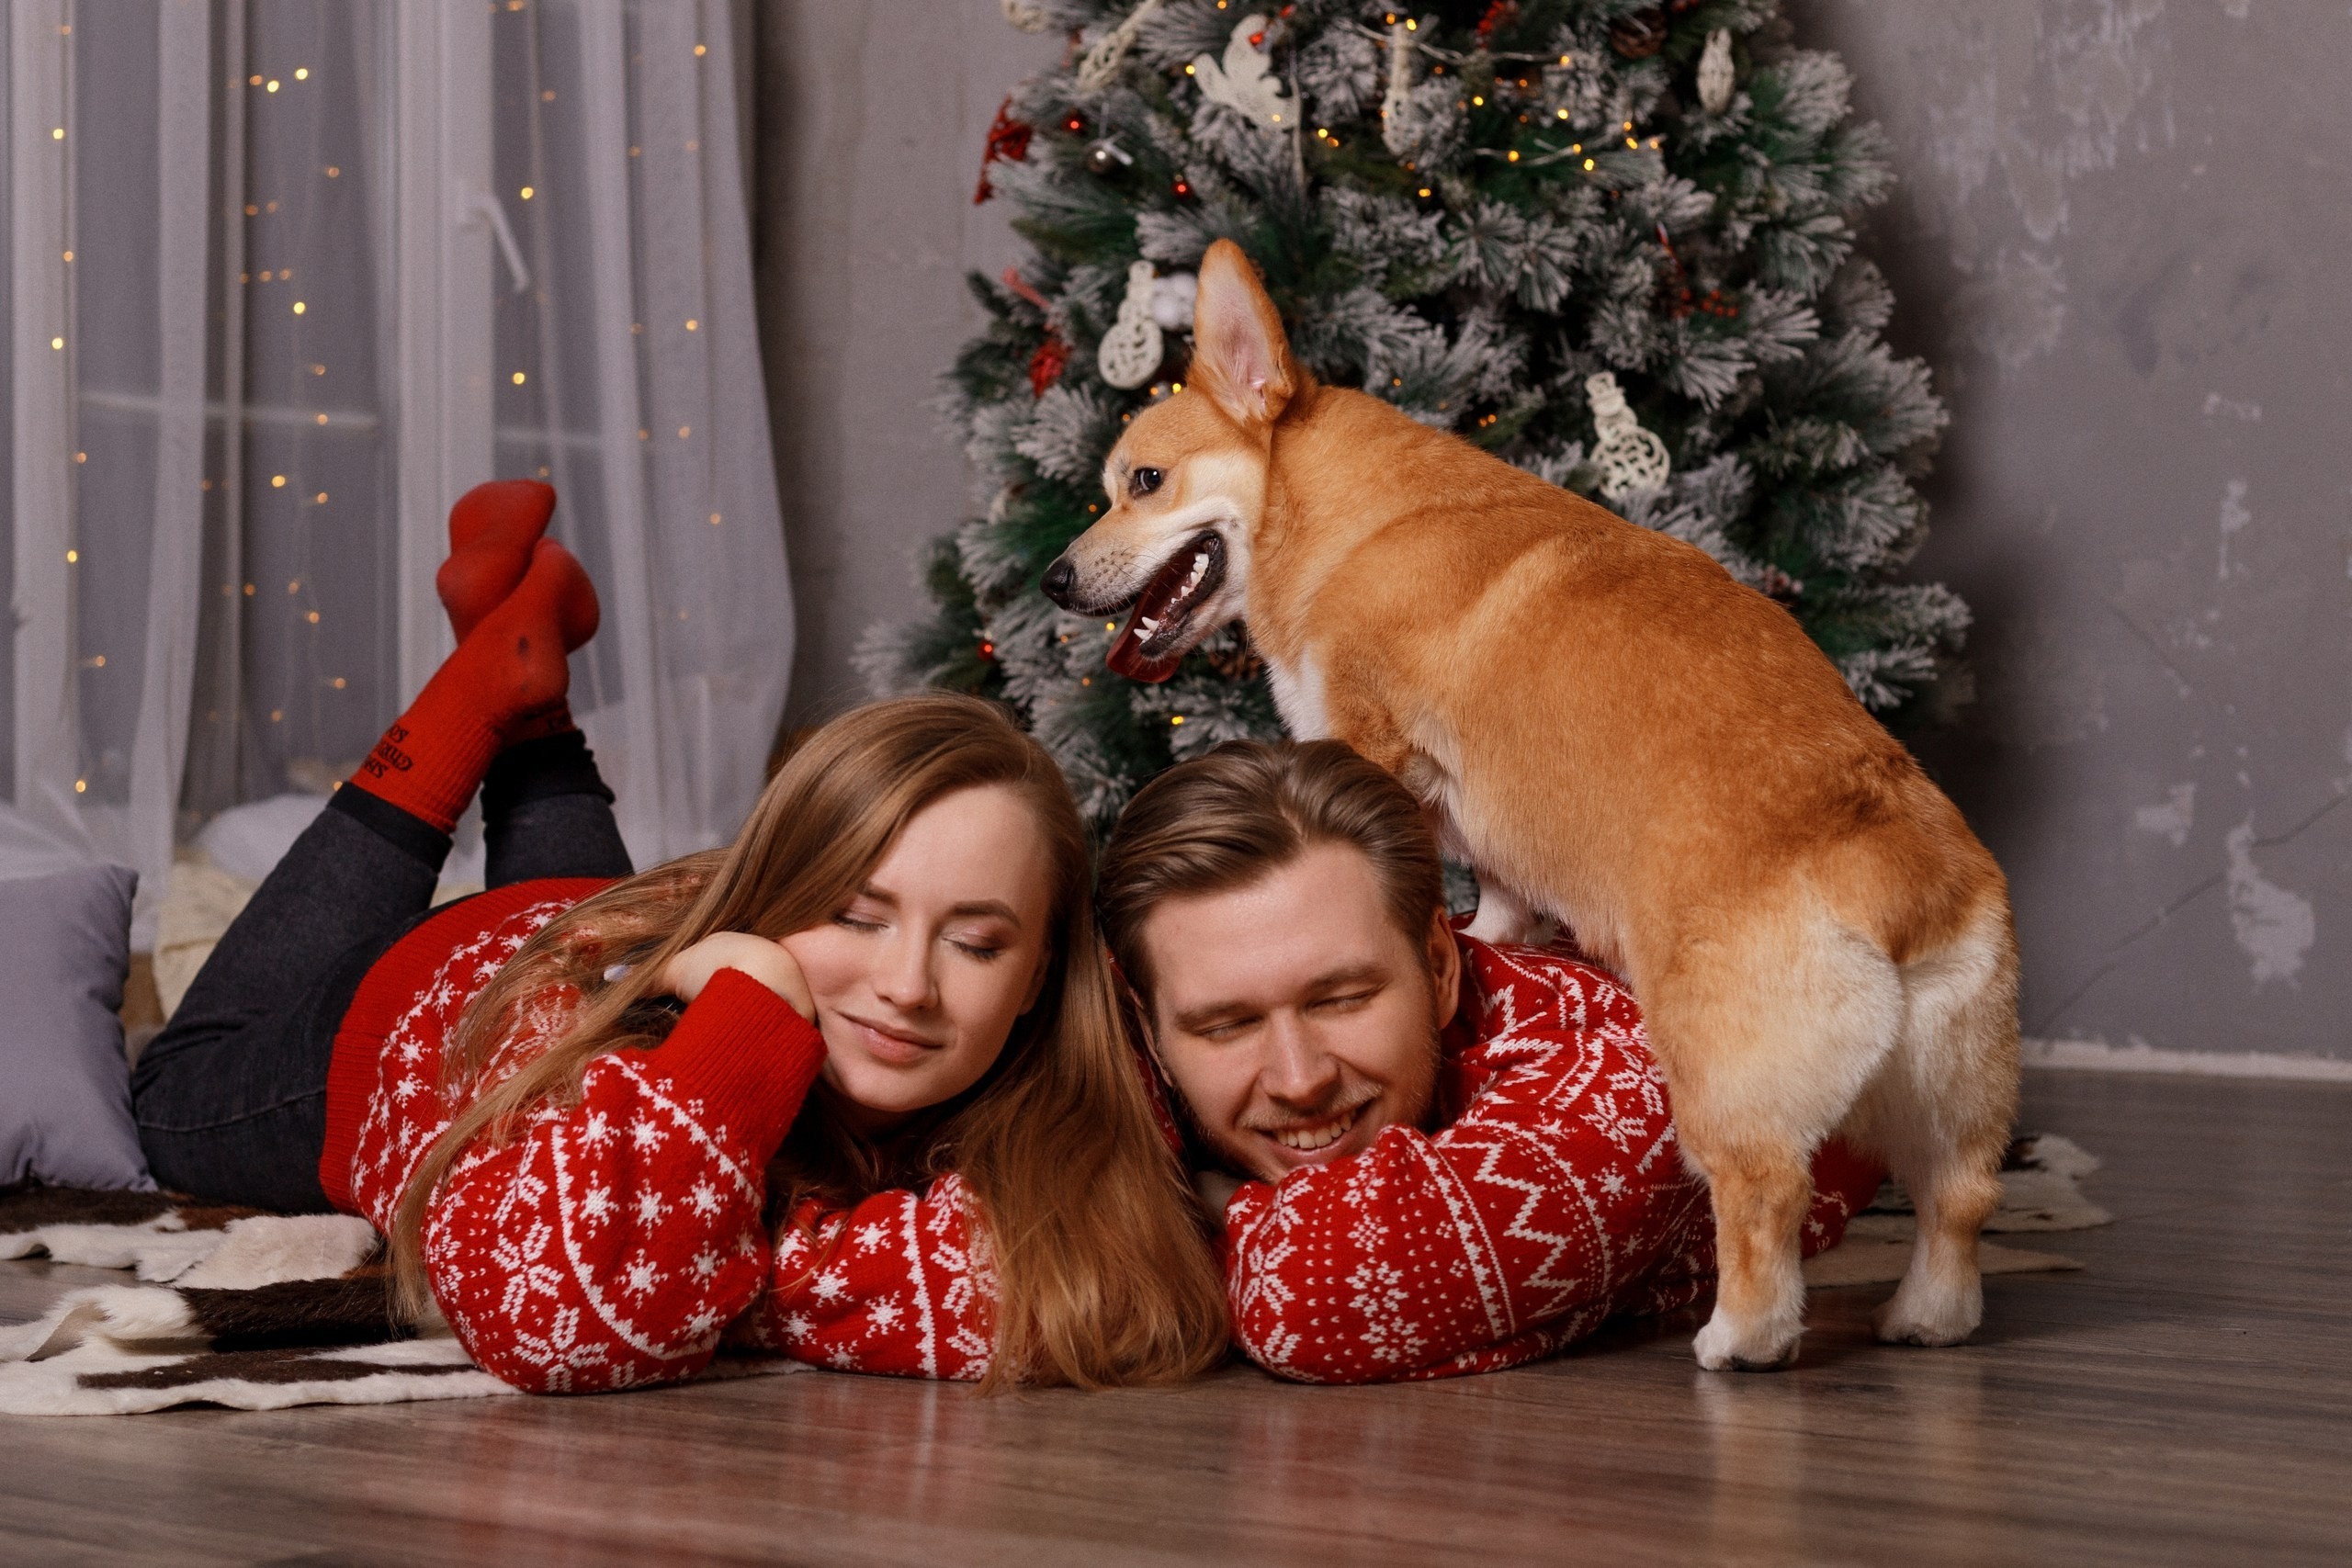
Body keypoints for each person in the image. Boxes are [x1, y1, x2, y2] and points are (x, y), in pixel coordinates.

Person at [131, 480, 1227, 1393]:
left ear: (1041, 970)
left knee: (585, 907)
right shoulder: (606, 1043)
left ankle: (521, 663)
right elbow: (551, 1316)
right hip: (433, 1001)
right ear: (777, 898)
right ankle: (466, 697)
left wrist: (735, 1257)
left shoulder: (1089, 1048)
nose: (906, 986)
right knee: (174, 1094)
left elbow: (1107, 1290)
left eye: (977, 945)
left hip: (603, 912)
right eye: (854, 915)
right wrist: (746, 1012)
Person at [1094, 739, 1884, 1383]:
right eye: (1227, 1025)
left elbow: (1313, 1296)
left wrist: (1170, 1217)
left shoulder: (1631, 1064)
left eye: (1341, 998)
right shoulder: (1123, 1045)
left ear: (1440, 966)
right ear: (1147, 1025)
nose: (1301, 1079)